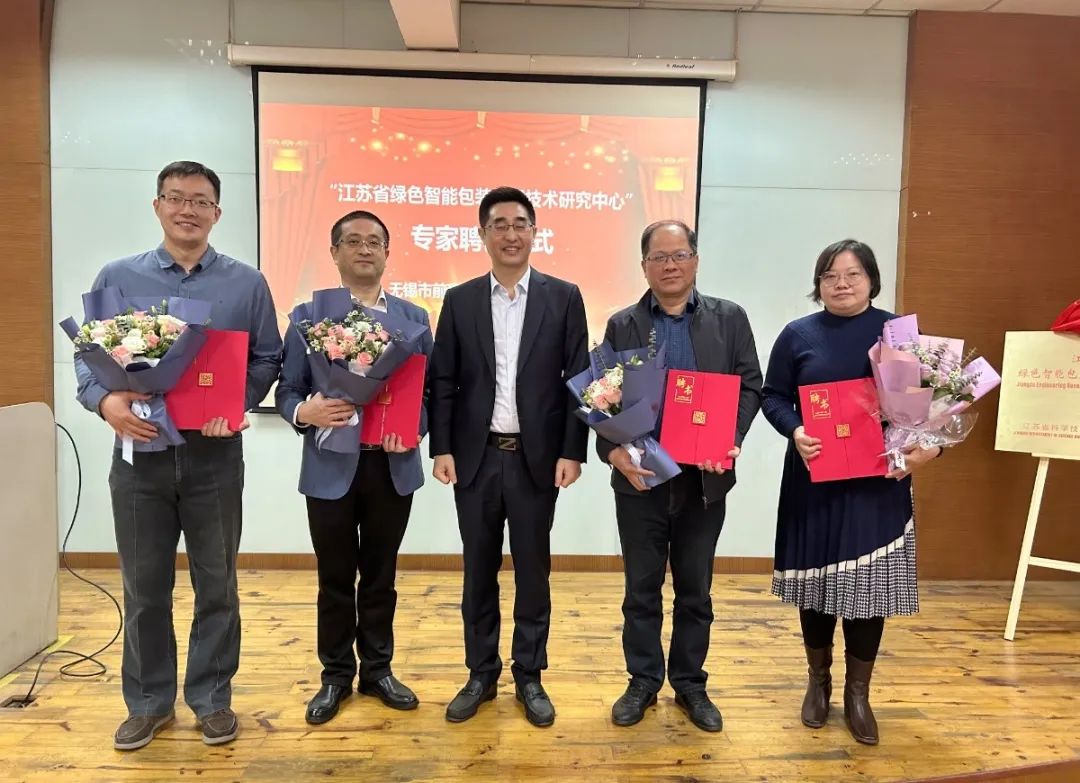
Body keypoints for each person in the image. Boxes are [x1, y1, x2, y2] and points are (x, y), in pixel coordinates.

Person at [74, 161, 282, 750]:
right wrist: (106, 402)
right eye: (175, 197)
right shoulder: (118, 276)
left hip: (214, 454)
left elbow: (267, 357)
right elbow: (88, 359)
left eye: (200, 201)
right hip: (139, 454)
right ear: (157, 205)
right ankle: (148, 703)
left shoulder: (247, 283)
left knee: (218, 584)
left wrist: (236, 402)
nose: (187, 209)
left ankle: (212, 698)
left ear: (217, 212)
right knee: (144, 586)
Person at [761, 239, 941, 745]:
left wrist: (928, 449)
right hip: (814, 476)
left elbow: (932, 404)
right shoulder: (797, 334)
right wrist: (795, 429)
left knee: (870, 589)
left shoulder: (898, 334)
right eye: (830, 275)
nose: (841, 283)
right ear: (818, 284)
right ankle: (817, 682)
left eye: (853, 274)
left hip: (877, 482)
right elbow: (773, 396)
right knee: (817, 583)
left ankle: (858, 694)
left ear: (871, 280)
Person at [428, 186, 589, 727]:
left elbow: (578, 379)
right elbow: (443, 380)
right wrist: (442, 446)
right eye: (499, 224)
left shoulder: (563, 297)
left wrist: (572, 451)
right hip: (475, 459)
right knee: (478, 570)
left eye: (520, 223)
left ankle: (530, 675)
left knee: (533, 572)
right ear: (483, 235)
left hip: (535, 460)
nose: (511, 234)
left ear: (534, 232)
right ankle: (481, 673)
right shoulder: (460, 299)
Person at [597, 220, 763, 733]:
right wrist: (611, 451)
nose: (670, 265)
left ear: (695, 260)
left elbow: (750, 386)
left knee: (696, 590)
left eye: (679, 255)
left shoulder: (729, 318)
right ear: (644, 266)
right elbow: (602, 397)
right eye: (659, 257)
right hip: (641, 479)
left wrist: (729, 438)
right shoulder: (622, 324)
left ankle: (690, 683)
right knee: (640, 590)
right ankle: (643, 680)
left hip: (702, 481)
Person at [276, 210, 433, 724]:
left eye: (374, 242)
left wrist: (413, 428)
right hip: (329, 467)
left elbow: (429, 393)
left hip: (391, 465)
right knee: (335, 577)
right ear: (335, 252)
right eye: (353, 241)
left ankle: (379, 670)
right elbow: (288, 390)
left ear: (387, 253)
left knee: (381, 576)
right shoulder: (308, 316)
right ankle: (336, 675)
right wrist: (306, 412)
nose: (365, 249)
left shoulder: (414, 318)